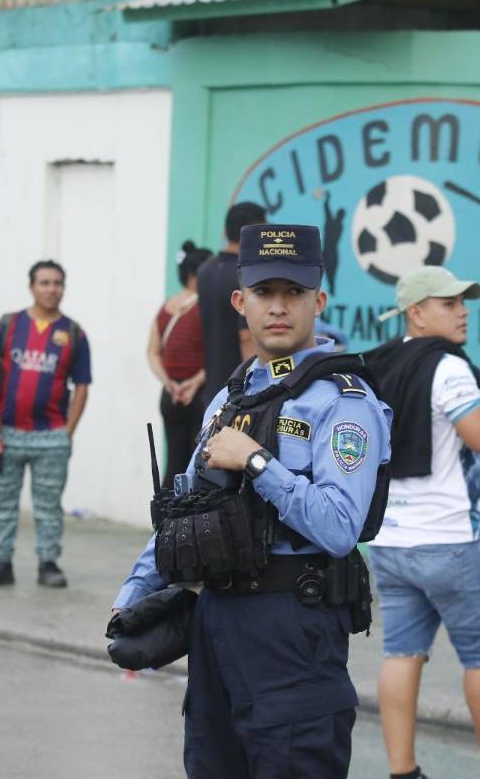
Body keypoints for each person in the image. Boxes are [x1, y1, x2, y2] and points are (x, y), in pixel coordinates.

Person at [112, 223, 392, 778]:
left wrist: (259, 463)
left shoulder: (344, 402)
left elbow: (339, 527)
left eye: (295, 293)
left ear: (320, 300)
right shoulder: (229, 395)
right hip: (218, 622)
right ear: (241, 302)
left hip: (294, 626)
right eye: (266, 293)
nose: (280, 307)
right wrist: (134, 594)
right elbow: (185, 507)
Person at [365, 266, 480, 779]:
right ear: (416, 313)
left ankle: (402, 772)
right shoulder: (447, 367)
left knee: (401, 653)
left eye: (463, 301)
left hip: (391, 540)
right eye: (448, 303)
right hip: (455, 542)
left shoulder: (376, 364)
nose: (463, 310)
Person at [0, 260, 92, 589]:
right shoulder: (9, 326)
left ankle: (48, 564)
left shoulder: (74, 334)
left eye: (57, 283)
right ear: (31, 287)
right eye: (44, 283)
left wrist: (68, 430)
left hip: (51, 437)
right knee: (3, 504)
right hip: (6, 433)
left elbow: (82, 385)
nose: (51, 289)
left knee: (48, 507)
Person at [148, 240, 213, 484]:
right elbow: (215, 352)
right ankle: (189, 522)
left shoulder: (167, 307)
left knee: (173, 461)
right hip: (198, 395)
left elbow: (152, 352)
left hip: (171, 396)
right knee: (196, 465)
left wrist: (169, 383)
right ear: (198, 274)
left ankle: (165, 520)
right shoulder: (205, 305)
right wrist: (195, 383)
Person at [195, 201, 266, 408]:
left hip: (212, 391)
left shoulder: (205, 270)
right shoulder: (246, 274)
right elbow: (246, 337)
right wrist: (258, 388)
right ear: (257, 233)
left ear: (226, 230)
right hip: (238, 391)